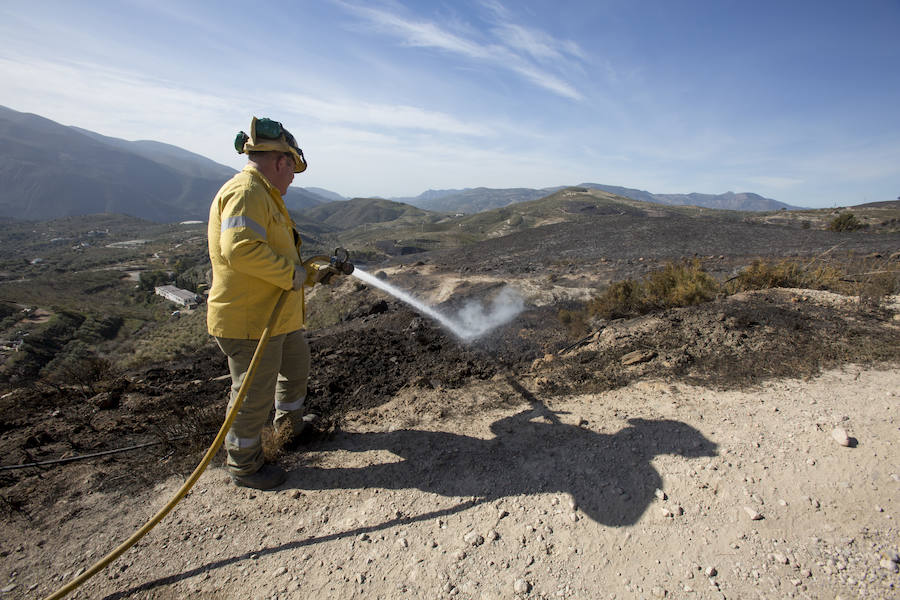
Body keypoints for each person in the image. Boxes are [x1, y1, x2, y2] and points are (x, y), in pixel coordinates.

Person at [207, 117, 339, 490]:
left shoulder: (266, 195)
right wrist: (292, 275)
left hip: (277, 317)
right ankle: (245, 466)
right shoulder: (247, 191)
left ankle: (291, 429)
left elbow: (281, 258)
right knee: (252, 396)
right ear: (281, 161)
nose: (294, 177)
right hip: (250, 321)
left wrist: (313, 273)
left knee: (296, 366)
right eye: (293, 168)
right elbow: (240, 249)